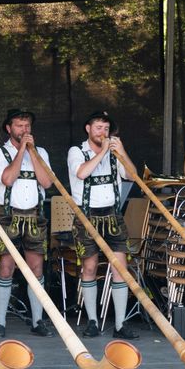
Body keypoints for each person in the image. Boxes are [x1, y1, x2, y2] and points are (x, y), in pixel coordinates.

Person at [67, 110, 139, 340]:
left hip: (113, 217)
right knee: (89, 268)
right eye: (98, 127)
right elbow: (82, 173)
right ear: (88, 129)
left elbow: (132, 176)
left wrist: (122, 152)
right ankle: (92, 322)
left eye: (106, 129)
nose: (103, 132)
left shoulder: (115, 153)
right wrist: (104, 152)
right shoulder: (77, 151)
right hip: (86, 217)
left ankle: (120, 324)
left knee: (120, 269)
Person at [0, 108, 55, 338]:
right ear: (9, 128)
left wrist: (32, 152)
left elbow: (46, 182)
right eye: (19, 125)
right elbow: (7, 178)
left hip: (35, 214)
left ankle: (37, 321)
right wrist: (21, 152)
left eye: (27, 126)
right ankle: (0, 322)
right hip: (7, 214)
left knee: (36, 268)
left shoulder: (40, 152)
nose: (24, 130)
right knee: (6, 267)